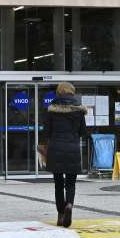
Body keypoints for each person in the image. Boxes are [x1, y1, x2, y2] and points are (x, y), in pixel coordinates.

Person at [43, 82, 87, 228]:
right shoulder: (79, 110)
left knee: (58, 184)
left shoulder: (51, 110)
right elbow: (82, 132)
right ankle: (69, 205)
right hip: (72, 149)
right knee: (70, 183)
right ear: (72, 92)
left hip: (56, 148)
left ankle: (61, 214)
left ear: (58, 92)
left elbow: (47, 131)